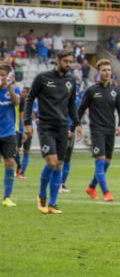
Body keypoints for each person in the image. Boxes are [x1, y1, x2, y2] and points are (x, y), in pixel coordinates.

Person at [23, 49, 81, 215]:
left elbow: (71, 105)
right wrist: (27, 122)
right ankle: (41, 196)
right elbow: (30, 99)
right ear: (57, 60)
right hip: (46, 125)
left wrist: (76, 124)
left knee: (59, 165)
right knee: (51, 162)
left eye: (71, 62)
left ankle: (53, 204)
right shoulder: (42, 78)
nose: (68, 65)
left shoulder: (71, 80)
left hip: (63, 127)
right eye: (66, 61)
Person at [78, 59, 120, 202]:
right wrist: (76, 125)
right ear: (98, 72)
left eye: (109, 70)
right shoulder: (91, 90)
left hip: (110, 130)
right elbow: (80, 109)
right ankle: (106, 192)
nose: (107, 72)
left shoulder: (114, 90)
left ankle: (91, 187)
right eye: (104, 70)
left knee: (107, 162)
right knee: (100, 160)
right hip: (97, 130)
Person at [0, 63, 21, 207]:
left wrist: (8, 87)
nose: (1, 77)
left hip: (9, 132)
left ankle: (7, 196)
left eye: (3, 75)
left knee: (10, 162)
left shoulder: (13, 90)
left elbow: (16, 102)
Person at [15, 87, 30, 179]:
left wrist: (26, 129)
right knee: (15, 151)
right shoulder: (17, 103)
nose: (22, 94)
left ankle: (20, 172)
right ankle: (19, 169)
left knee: (23, 151)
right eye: (21, 92)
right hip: (17, 130)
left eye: (24, 92)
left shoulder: (29, 103)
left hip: (24, 130)